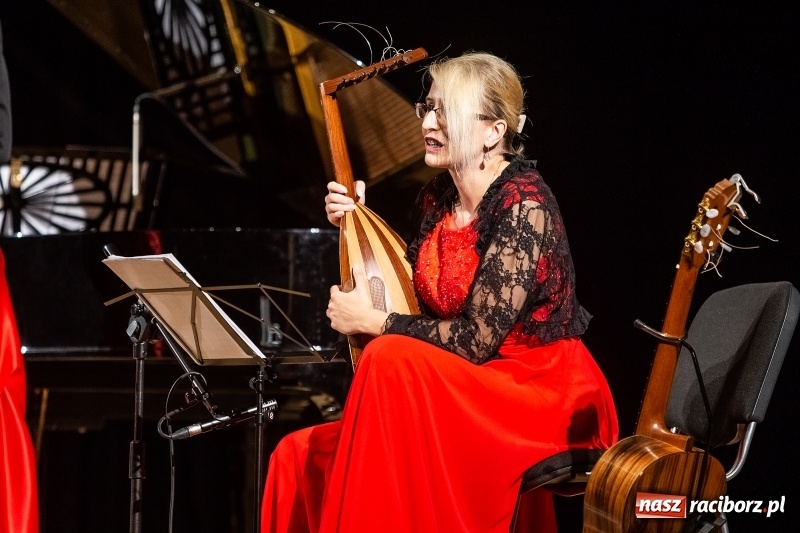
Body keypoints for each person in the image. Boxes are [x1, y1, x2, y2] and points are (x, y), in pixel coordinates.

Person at [261, 51, 618, 533]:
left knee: (388, 356)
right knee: (295, 453)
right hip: (471, 379)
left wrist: (376, 323)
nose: (429, 122)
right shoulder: (438, 197)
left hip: (536, 388)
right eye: (427, 108)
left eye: (446, 112)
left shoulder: (524, 205)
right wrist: (356, 220)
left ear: (493, 131)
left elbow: (476, 340)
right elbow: (413, 291)